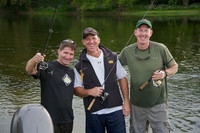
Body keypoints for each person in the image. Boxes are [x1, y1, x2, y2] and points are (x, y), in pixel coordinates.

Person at [119, 19, 178, 133]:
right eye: (140, 30)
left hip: (158, 104)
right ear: (135, 32)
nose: (143, 33)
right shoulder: (127, 51)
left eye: (146, 30)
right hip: (136, 105)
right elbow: (114, 68)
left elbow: (175, 67)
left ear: (151, 33)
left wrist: (164, 73)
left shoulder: (161, 48)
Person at [74, 27, 130, 133]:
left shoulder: (113, 57)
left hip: (116, 110)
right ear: (83, 42)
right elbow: (76, 89)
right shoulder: (79, 66)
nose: (91, 42)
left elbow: (122, 78)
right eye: (87, 39)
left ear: (99, 39)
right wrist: (89, 92)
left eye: (93, 38)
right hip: (94, 112)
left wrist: (126, 102)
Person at [25, 39, 76, 133]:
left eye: (71, 54)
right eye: (65, 53)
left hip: (68, 120)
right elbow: (30, 70)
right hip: (50, 120)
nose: (68, 57)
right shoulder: (47, 67)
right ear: (59, 51)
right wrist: (34, 60)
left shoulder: (72, 72)